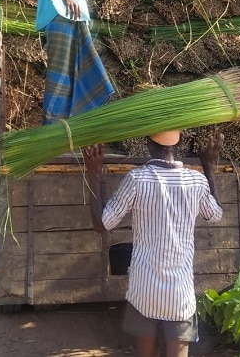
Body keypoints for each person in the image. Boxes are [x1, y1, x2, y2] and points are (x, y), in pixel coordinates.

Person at [82, 131, 224, 357]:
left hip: (144, 292)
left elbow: (102, 223)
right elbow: (215, 214)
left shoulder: (137, 180)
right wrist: (208, 166)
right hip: (180, 296)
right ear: (177, 143)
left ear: (148, 142)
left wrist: (94, 174)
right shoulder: (196, 181)